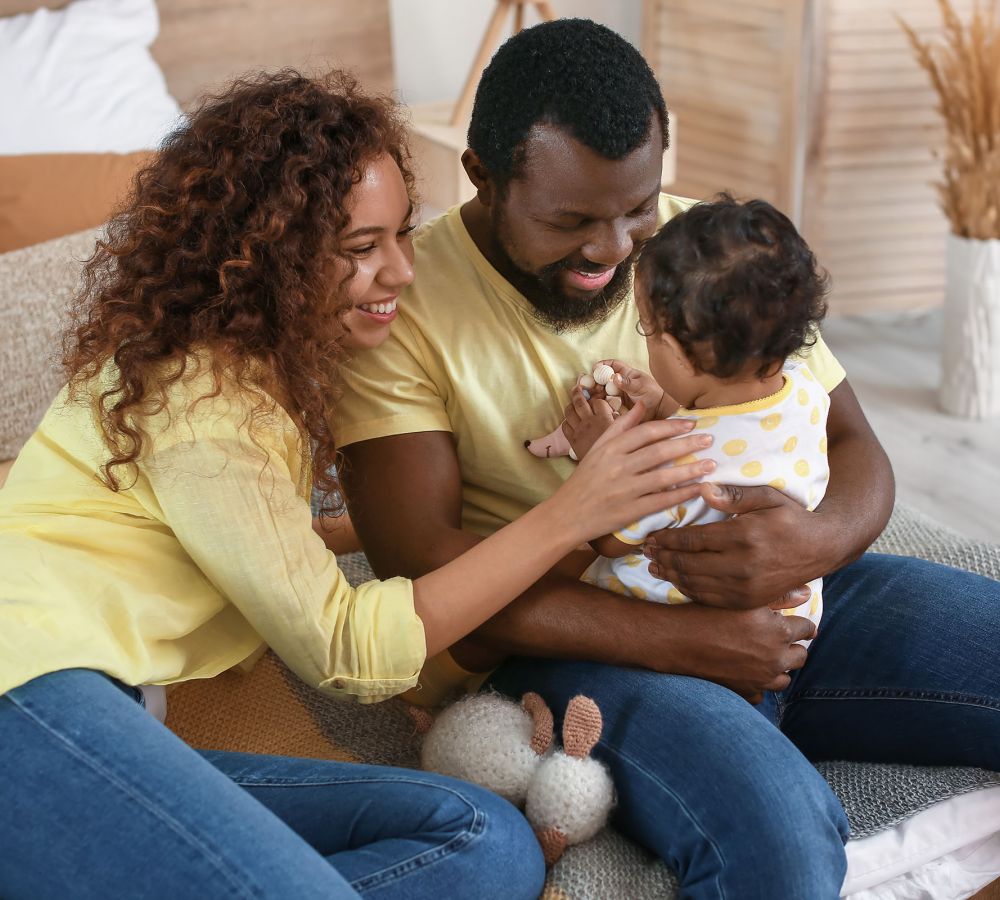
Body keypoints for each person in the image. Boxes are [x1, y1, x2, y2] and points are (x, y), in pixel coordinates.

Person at [335, 19, 1000, 899]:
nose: (616, 249)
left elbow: (851, 440)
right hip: (585, 637)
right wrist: (690, 641)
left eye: (637, 206)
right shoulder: (405, 312)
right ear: (483, 179)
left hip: (787, 604)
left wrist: (815, 542)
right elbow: (426, 576)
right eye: (571, 220)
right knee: (787, 850)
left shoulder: (704, 250)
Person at [0, 70, 698, 900]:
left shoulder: (256, 377)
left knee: (487, 838)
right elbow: (346, 652)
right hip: (28, 695)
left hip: (109, 725)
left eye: (402, 234)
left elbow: (255, 533)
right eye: (362, 248)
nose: (402, 271)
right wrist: (573, 513)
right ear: (261, 255)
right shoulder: (203, 408)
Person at [575, 195, 830, 644]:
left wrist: (598, 453)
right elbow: (739, 437)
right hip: (795, 618)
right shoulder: (803, 388)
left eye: (645, 328)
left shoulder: (683, 464)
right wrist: (663, 405)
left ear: (673, 352)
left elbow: (610, 540)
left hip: (690, 629)